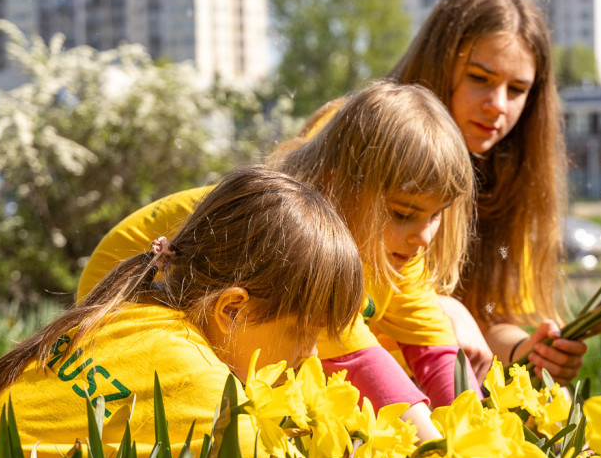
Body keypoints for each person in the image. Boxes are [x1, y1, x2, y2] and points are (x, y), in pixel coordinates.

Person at [0, 167, 365, 458]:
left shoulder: (124, 312)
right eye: (303, 331)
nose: (310, 353)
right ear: (233, 311)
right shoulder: (206, 390)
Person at [77, 81, 477, 416]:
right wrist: (436, 455)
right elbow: (357, 360)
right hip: (126, 305)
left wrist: (477, 434)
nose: (424, 236)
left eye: (436, 215)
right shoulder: (294, 241)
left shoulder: (398, 246)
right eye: (403, 213)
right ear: (336, 184)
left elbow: (436, 353)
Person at [391, 0, 587, 385]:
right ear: (438, 64)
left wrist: (529, 350)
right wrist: (439, 308)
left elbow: (490, 316)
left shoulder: (509, 174)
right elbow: (337, 284)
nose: (498, 105)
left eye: (518, 90)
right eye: (480, 77)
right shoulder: (365, 137)